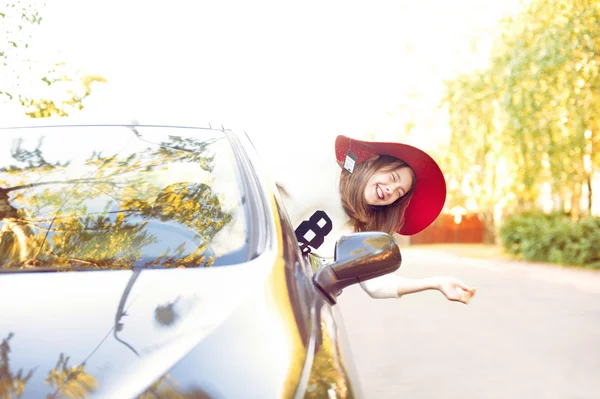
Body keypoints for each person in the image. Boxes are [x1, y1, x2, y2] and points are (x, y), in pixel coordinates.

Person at [276, 134, 476, 304]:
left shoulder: (355, 230)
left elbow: (377, 285)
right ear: (372, 162)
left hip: (285, 293)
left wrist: (436, 283)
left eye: (399, 192)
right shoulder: (321, 170)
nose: (391, 190)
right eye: (393, 178)